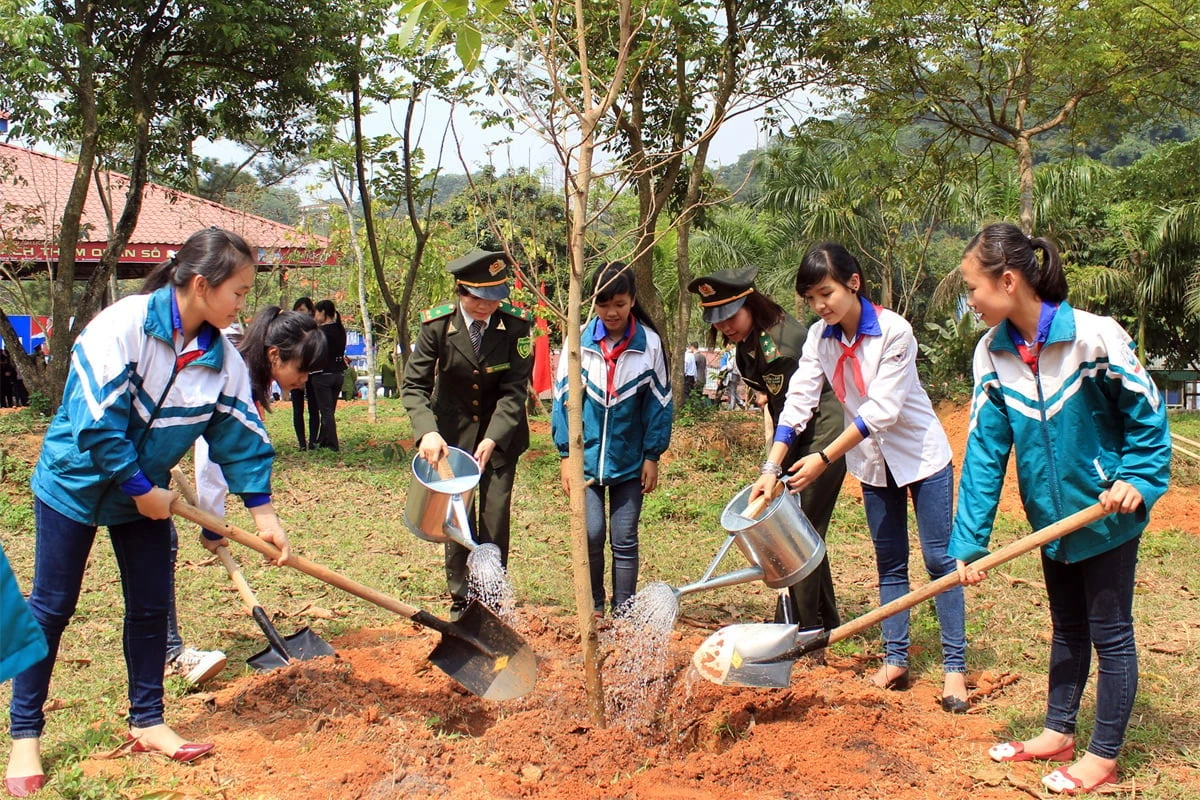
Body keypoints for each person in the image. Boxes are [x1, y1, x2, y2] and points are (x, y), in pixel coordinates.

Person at [5, 228, 293, 798]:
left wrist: (262, 512)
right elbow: (96, 419)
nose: (242, 305)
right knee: (53, 606)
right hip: (76, 482)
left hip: (148, 494)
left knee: (150, 605)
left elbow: (238, 432)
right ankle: (25, 735)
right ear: (201, 284)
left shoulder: (220, 358)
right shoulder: (122, 326)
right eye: (238, 292)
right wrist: (139, 487)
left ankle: (148, 720)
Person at [950, 223, 1171, 795]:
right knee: (1066, 627)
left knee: (1110, 632)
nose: (969, 300)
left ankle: (1102, 755)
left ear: (1007, 279)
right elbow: (983, 451)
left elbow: (1148, 418)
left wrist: (1137, 481)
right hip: (1051, 520)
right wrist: (969, 545)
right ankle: (1058, 732)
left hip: (1106, 515)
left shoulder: (1094, 337)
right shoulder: (992, 353)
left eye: (972, 287)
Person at [748, 243, 969, 712]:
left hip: (921, 457)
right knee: (889, 562)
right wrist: (772, 467)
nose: (820, 306)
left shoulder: (895, 332)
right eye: (810, 299)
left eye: (825, 293)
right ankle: (896, 659)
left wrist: (823, 458)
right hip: (871, 462)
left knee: (938, 559)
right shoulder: (818, 338)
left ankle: (954, 669)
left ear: (854, 282)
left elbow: (882, 411)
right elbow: (799, 402)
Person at [167, 306, 326, 689]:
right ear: (275, 355)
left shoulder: (249, 377)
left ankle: (168, 649)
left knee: (160, 548)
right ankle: (170, 652)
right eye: (301, 370)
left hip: (157, 457)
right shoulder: (234, 380)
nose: (303, 380)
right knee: (158, 549)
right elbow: (212, 464)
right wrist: (212, 521)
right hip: (130, 464)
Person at [688, 267, 845, 643]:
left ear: (751, 305)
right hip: (794, 439)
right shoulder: (748, 346)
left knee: (799, 532)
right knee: (803, 530)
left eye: (730, 316)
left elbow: (799, 407)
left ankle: (802, 629)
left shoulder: (781, 343)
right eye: (717, 320)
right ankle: (824, 620)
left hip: (822, 435)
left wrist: (776, 465)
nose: (724, 326)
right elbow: (777, 408)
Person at [401, 247, 534, 620]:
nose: (485, 307)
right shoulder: (437, 327)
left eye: (493, 299)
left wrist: (492, 438)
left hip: (501, 436)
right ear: (461, 290)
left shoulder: (516, 326)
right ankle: (461, 599)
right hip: (452, 439)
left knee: (494, 516)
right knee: (456, 517)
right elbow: (414, 386)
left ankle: (491, 597)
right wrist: (427, 432)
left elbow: (514, 390)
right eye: (477, 298)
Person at [552, 262, 673, 616]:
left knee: (624, 539)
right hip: (585, 461)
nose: (612, 312)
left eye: (619, 303)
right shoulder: (578, 342)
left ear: (632, 301)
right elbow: (563, 401)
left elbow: (659, 403)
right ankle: (594, 606)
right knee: (590, 534)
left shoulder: (649, 345)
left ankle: (624, 611)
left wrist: (652, 455)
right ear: (594, 303)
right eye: (604, 304)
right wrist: (565, 456)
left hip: (629, 462)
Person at [309, 299, 347, 451]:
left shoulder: (321, 332)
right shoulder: (340, 330)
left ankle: (332, 444)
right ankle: (323, 440)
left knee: (325, 411)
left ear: (323, 312)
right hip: (338, 374)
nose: (315, 316)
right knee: (329, 410)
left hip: (322, 374)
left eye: (316, 312)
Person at [290, 297, 316, 450]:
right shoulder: (291, 329)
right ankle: (301, 443)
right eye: (297, 310)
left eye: (302, 310)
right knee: (297, 409)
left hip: (312, 372)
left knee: (313, 408)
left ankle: (313, 442)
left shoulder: (314, 329)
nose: (299, 313)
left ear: (310, 311)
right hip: (295, 371)